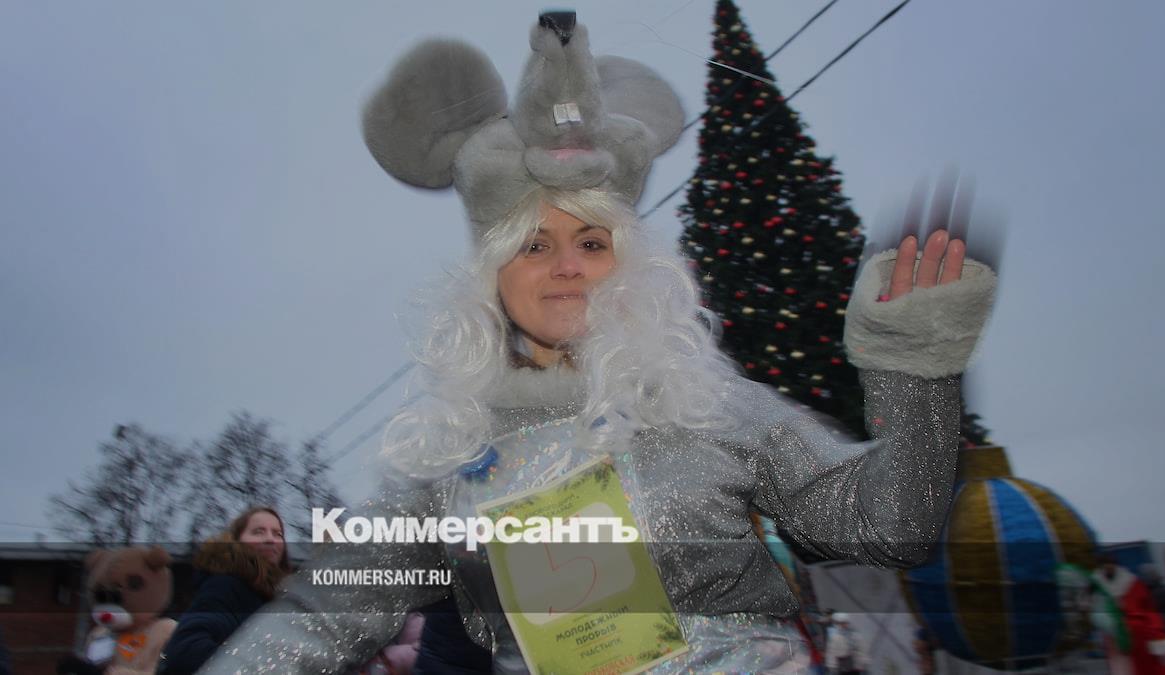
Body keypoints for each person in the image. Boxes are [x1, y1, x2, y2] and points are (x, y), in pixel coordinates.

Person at [200, 12, 996, 673]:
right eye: (533, 244)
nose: (567, 268)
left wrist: (915, 376)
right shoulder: (446, 459)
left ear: (628, 259)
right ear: (491, 273)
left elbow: (884, 524)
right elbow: (323, 615)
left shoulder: (705, 404)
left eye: (591, 241)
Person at [159, 507, 292, 674]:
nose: (270, 539)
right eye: (258, 532)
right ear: (237, 540)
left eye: (278, 534)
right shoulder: (226, 586)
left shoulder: (275, 597)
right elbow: (186, 649)